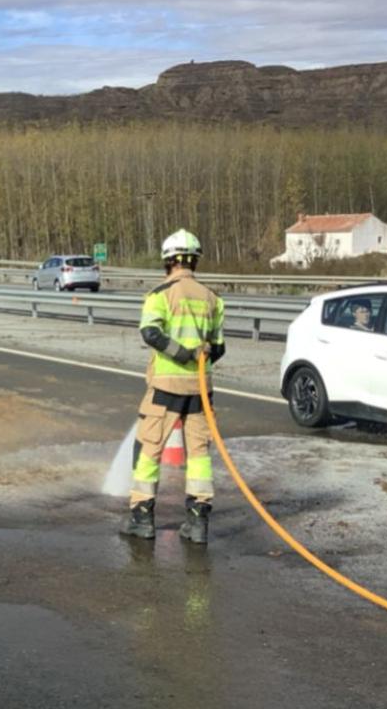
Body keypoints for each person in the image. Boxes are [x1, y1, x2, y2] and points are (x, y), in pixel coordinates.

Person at [121, 229, 226, 544]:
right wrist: (199, 353)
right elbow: (219, 348)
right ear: (194, 260)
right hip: (200, 391)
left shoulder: (160, 294)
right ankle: (197, 522)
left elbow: (150, 333)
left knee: (147, 449)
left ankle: (142, 517)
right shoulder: (213, 298)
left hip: (166, 388)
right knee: (199, 455)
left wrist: (182, 355)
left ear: (168, 261)